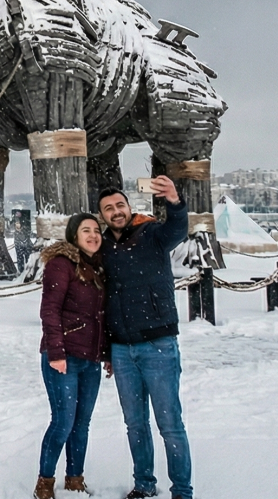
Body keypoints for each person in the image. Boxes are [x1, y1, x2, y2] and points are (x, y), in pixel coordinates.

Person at [98, 178, 193, 499]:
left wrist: (174, 202)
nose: (116, 212)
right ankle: (144, 484)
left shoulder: (151, 234)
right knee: (135, 425)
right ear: (103, 215)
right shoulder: (104, 249)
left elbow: (178, 229)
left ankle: (181, 490)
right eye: (109, 209)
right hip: (122, 349)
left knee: (170, 425)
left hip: (159, 343)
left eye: (119, 205)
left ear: (129, 207)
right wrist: (107, 349)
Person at [33, 213, 108, 499]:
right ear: (74, 236)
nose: (93, 235)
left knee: (82, 422)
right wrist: (56, 352)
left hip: (91, 359)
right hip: (63, 357)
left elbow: (103, 316)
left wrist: (107, 354)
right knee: (63, 420)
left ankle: (75, 479)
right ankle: (45, 482)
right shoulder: (61, 264)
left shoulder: (99, 267)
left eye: (96, 231)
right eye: (86, 230)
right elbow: (49, 310)